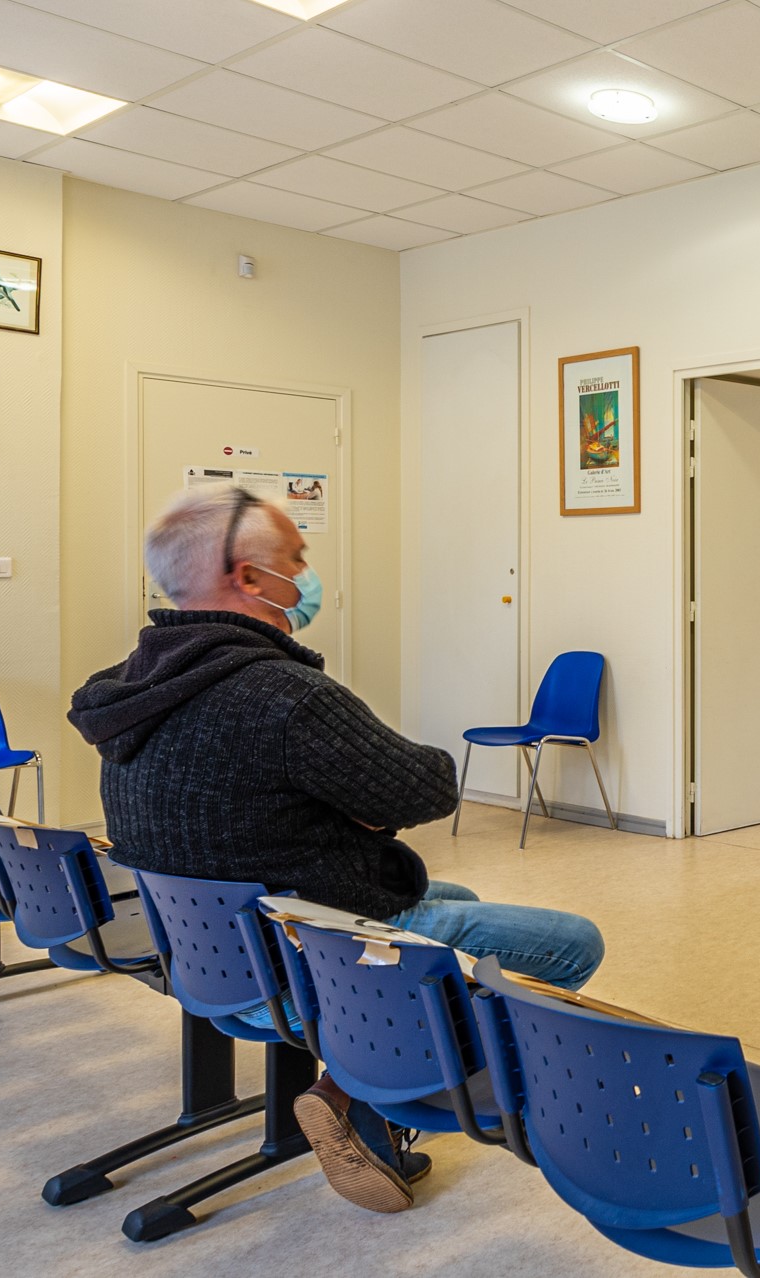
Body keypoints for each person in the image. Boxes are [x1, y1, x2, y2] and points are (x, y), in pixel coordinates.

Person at [68, 485, 604, 1214]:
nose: (308, 573)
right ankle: (355, 1092)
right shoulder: (283, 694)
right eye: (296, 558)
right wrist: (362, 812)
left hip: (211, 952)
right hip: (308, 951)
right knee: (571, 944)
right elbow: (425, 789)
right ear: (249, 578)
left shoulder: (127, 687)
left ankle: (368, 1082)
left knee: (461, 902)